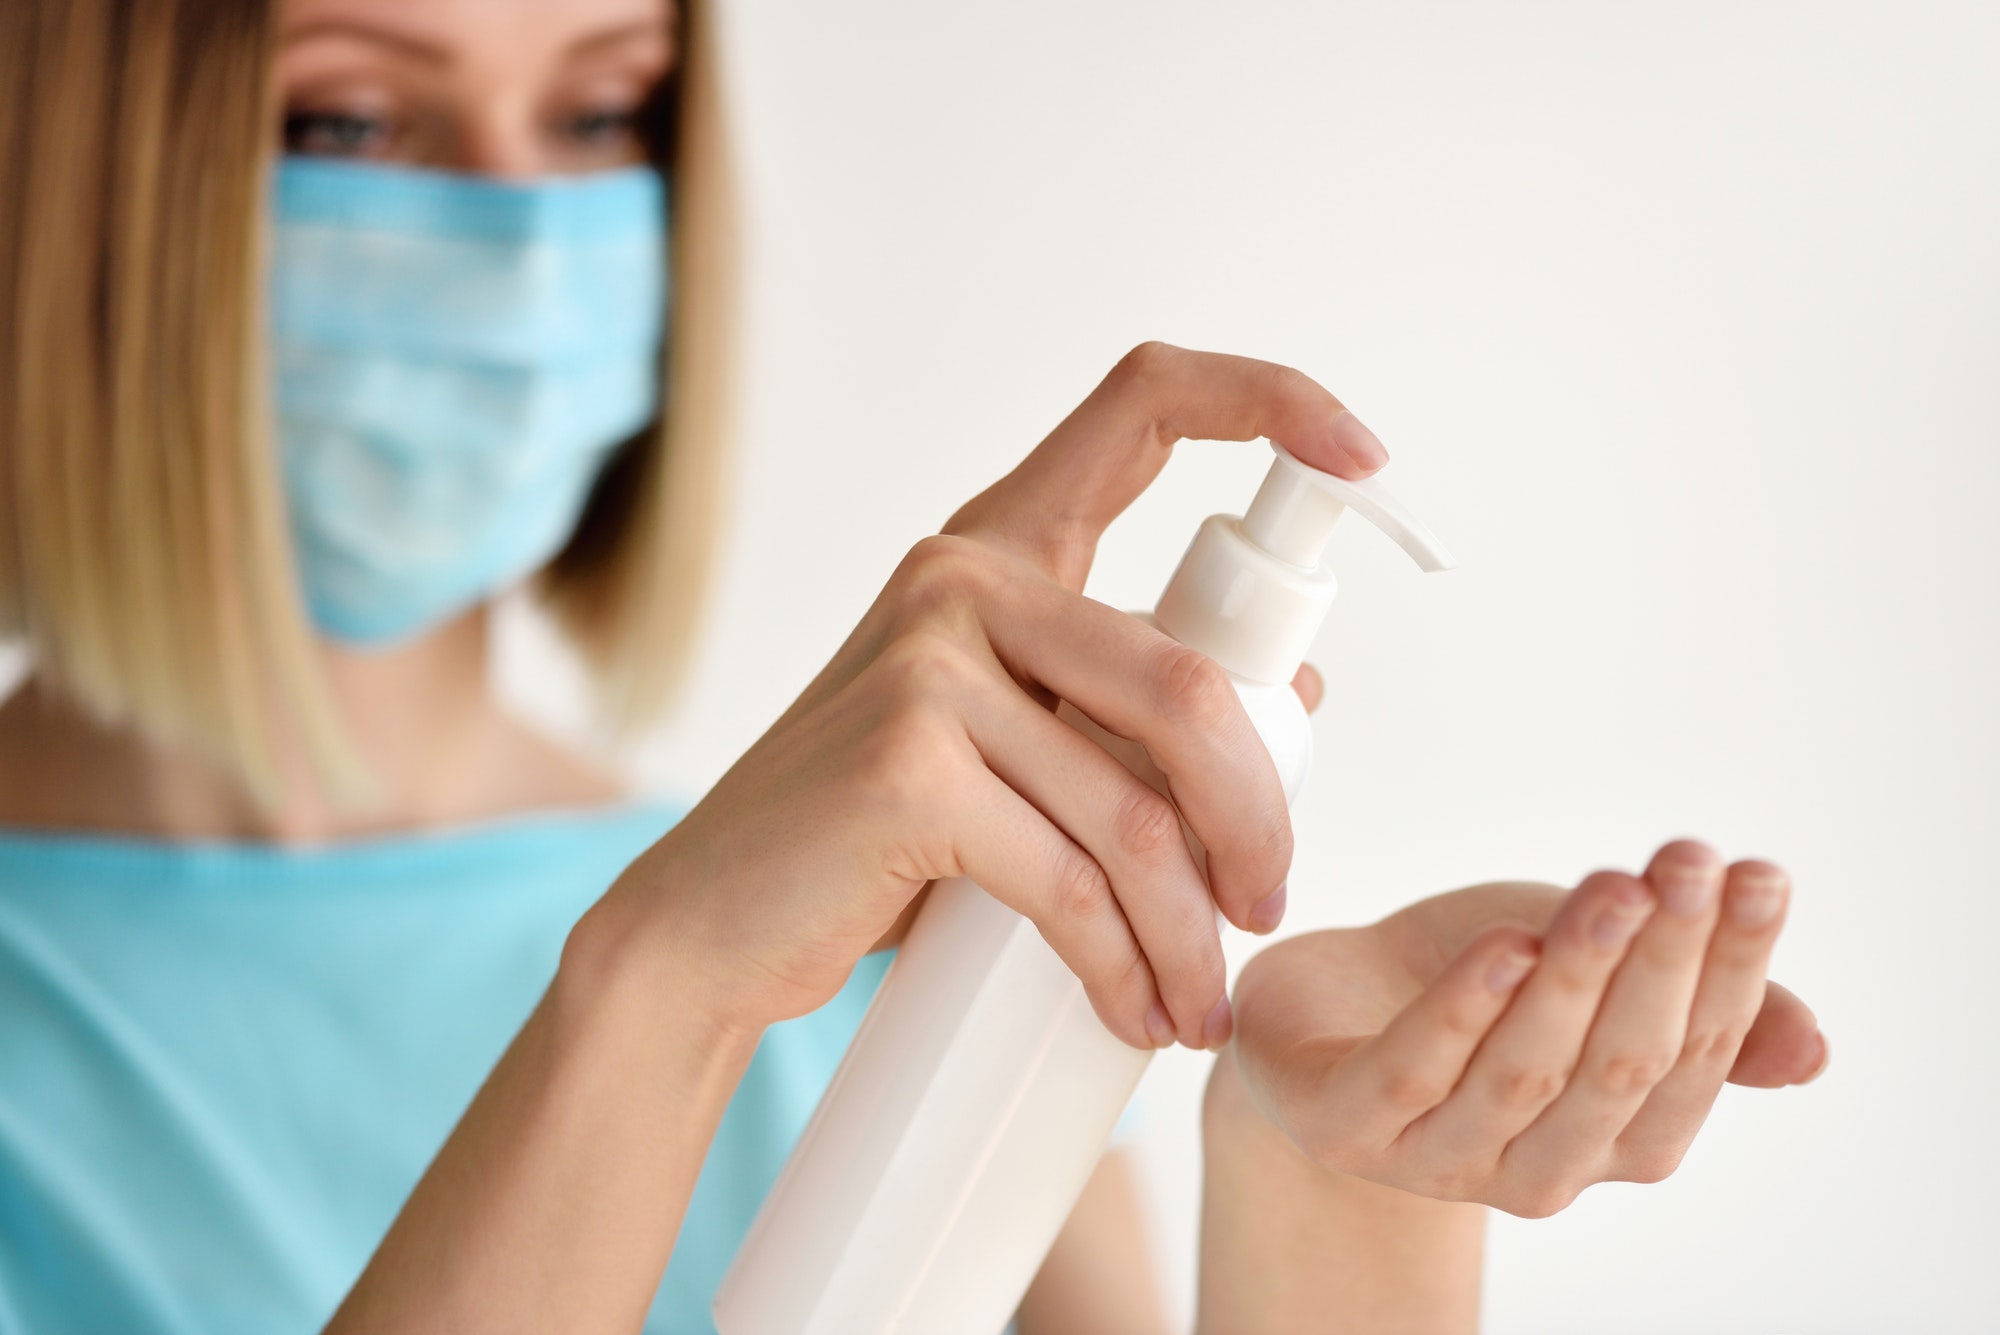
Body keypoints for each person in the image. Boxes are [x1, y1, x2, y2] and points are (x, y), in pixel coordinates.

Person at [0, 0, 1830, 1331]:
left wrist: (1338, 1190)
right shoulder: (734, 947)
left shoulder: (897, 963)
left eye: (601, 114)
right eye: (346, 124)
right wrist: (648, 1001)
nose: (519, 235)